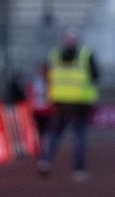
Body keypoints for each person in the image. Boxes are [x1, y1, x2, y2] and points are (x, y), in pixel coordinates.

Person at [37, 31, 100, 181]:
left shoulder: (54, 54)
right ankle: (79, 169)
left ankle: (45, 160)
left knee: (54, 134)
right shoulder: (86, 55)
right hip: (80, 102)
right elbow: (95, 76)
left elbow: (47, 75)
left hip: (59, 101)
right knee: (79, 136)